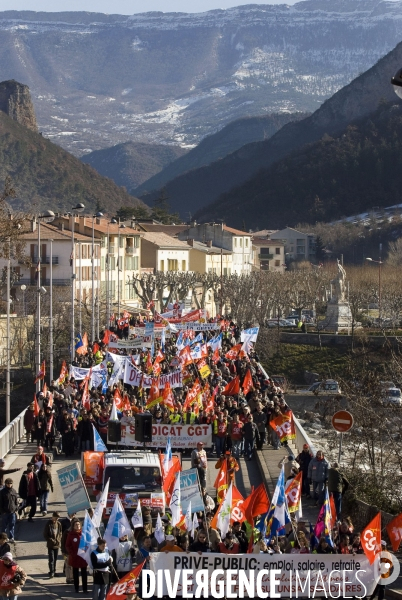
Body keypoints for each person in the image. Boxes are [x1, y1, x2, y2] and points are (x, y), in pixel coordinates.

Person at [65, 520, 88, 593]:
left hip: (83, 557)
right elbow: (67, 545)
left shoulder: (84, 534)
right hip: (75, 557)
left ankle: (85, 589)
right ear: (73, 526)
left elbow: (87, 544)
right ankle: (76, 588)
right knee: (75, 573)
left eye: (78, 524)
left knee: (84, 573)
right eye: (76, 525)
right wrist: (72, 553)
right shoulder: (71, 535)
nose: (77, 526)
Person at [43, 511, 62, 578]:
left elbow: (60, 533)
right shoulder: (48, 524)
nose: (57, 519)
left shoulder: (59, 524)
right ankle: (51, 572)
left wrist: (58, 540)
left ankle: (54, 571)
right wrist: (51, 540)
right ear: (53, 516)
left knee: (56, 558)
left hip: (57, 544)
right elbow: (45, 535)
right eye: (56, 517)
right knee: (51, 559)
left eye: (58, 518)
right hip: (50, 545)